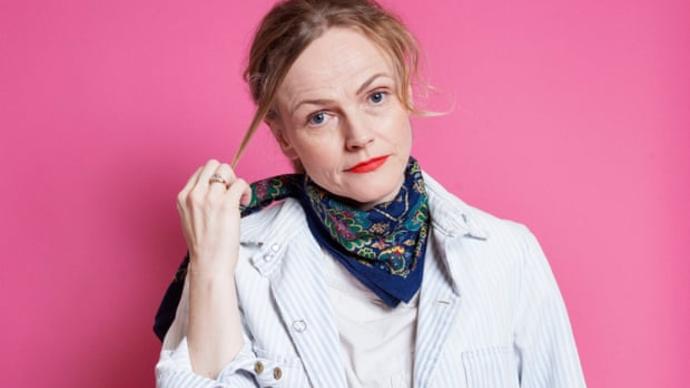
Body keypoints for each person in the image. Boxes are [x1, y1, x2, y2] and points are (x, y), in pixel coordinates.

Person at [153, 0, 587, 387]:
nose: (359, 135)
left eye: (376, 96)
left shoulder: (506, 255)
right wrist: (209, 268)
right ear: (284, 137)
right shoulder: (236, 264)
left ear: (405, 91)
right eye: (320, 117)